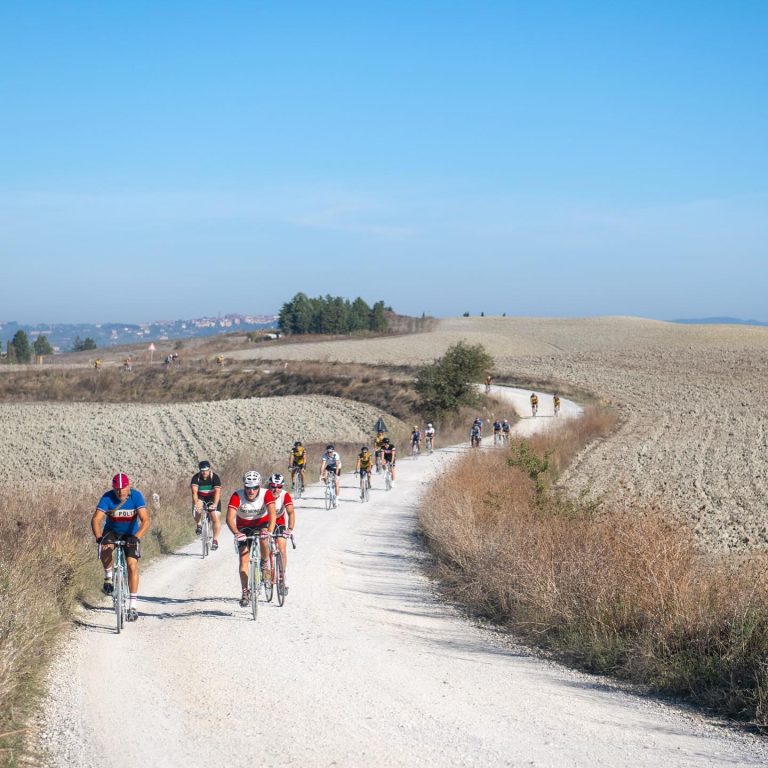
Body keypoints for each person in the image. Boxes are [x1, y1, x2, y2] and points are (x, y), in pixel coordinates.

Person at [91, 473, 150, 623]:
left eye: (123, 488)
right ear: (113, 488)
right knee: (106, 548)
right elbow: (96, 519)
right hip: (112, 532)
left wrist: (137, 537)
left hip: (131, 534)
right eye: (117, 489)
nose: (120, 492)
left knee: (132, 565)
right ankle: (108, 577)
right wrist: (99, 537)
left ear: (128, 486)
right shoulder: (107, 497)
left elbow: (145, 520)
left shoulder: (136, 496)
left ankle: (133, 606)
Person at [226, 471, 276, 607]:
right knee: (243, 558)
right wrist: (236, 533)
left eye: (254, 487)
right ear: (244, 486)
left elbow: (272, 514)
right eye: (248, 487)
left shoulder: (266, 493)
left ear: (259, 486)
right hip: (243, 527)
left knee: (264, 537)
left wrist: (270, 531)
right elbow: (229, 518)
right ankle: (245, 592)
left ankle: (264, 563)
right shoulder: (237, 495)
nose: (251, 491)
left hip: (262, 524)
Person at [264, 473, 295, 594]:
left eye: (279, 487)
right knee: (265, 553)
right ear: (269, 486)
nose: (276, 489)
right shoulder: (264, 495)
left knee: (281, 549)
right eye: (273, 486)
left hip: (279, 524)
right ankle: (266, 577)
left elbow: (291, 512)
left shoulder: (284, 495)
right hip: (265, 524)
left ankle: (282, 576)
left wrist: (290, 529)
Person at [191, 460, 222, 550]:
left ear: (209, 469)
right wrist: (196, 503)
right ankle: (199, 524)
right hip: (201, 497)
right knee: (197, 509)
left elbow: (217, 493)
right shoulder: (196, 478)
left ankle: (215, 540)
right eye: (202, 470)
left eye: (206, 470)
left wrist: (215, 504)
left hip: (213, 497)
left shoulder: (215, 477)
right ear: (200, 470)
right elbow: (194, 493)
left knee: (214, 516)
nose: (204, 472)